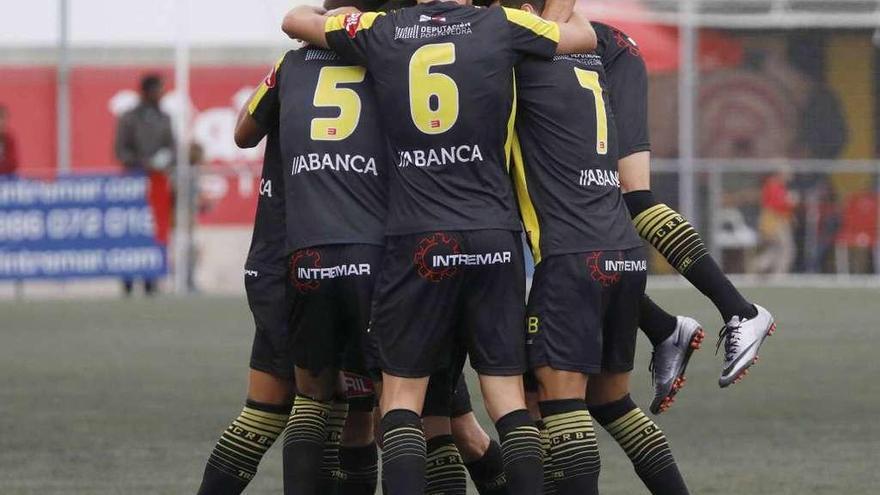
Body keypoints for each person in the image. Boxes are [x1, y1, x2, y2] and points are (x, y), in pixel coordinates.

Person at [282, 2, 596, 494]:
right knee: (508, 400)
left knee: (402, 399)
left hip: (418, 239)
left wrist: (339, 14)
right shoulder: (501, 24)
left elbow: (296, 21)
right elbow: (583, 38)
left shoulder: (380, 28)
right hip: (494, 235)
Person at [500, 1, 691, 494]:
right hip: (623, 253)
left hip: (568, 259)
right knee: (611, 403)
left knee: (559, 407)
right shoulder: (591, 59)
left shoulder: (517, 63)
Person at [114, 74, 175, 296]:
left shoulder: (165, 118)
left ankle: (152, 278)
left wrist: (165, 159)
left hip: (158, 183)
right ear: (147, 91)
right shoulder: (129, 118)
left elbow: (173, 147)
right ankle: (127, 281)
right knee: (131, 230)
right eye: (158, 89)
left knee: (156, 229)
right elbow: (120, 151)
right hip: (133, 181)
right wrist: (143, 162)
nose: (162, 94)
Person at [0, 104, 19, 177]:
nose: (1, 123)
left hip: (7, 180)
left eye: (4, 119)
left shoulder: (9, 139)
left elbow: (13, 164)